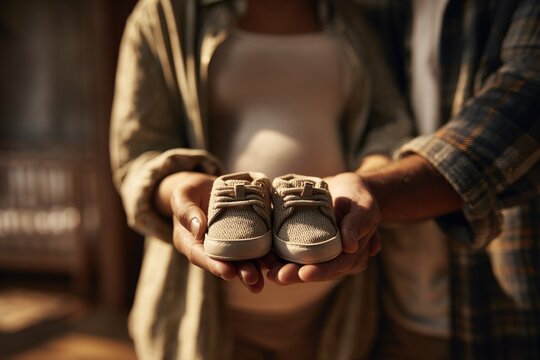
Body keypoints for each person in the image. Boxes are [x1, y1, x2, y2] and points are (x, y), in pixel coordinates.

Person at [110, 0, 411, 358]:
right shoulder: (165, 13)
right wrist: (176, 187)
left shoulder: (354, 13)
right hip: (202, 312)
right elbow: (138, 151)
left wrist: (368, 182)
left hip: (337, 308)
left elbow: (386, 124)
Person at [270, 0, 540, 358]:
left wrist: (373, 192)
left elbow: (525, 101)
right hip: (393, 310)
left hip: (508, 310)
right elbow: (379, 116)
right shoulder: (377, 9)